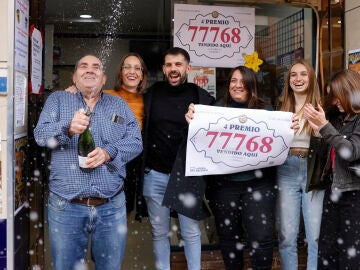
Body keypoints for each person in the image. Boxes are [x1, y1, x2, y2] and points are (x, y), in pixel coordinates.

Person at [34, 54, 143, 270]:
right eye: (83, 66)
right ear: (74, 77)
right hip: (66, 205)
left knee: (110, 267)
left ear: (103, 79)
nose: (90, 70)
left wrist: (109, 153)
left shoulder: (118, 105)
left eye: (96, 67)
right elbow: (40, 135)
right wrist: (67, 127)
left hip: (111, 205)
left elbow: (136, 141)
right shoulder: (58, 100)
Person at [186, 65, 278, 270]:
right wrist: (193, 121)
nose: (237, 85)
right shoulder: (216, 109)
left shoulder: (267, 111)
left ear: (252, 84)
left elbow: (277, 143)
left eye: (242, 81)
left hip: (259, 184)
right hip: (225, 186)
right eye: (233, 81)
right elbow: (199, 141)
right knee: (229, 238)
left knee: (261, 237)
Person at [140, 47, 215, 270]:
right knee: (159, 232)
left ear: (188, 68)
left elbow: (213, 135)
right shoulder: (151, 95)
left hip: (187, 175)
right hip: (155, 174)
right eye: (169, 65)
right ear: (164, 68)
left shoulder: (202, 98)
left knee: (190, 232)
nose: (174, 69)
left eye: (178, 64)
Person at [66, 52, 148, 217]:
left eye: (137, 68)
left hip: (136, 157)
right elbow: (85, 95)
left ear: (142, 75)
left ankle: (120, 230)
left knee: (131, 203)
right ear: (121, 72)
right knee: (116, 202)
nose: (132, 72)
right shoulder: (106, 95)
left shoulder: (148, 99)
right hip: (108, 156)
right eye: (127, 67)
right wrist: (75, 88)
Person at [303, 69, 360, 269]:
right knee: (327, 252)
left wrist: (325, 127)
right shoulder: (337, 118)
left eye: (338, 96)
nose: (335, 102)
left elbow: (350, 151)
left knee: (350, 256)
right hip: (333, 191)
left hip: (354, 195)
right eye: (332, 97)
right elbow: (324, 155)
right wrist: (318, 132)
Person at [276, 59, 325, 270]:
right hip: (286, 167)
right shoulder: (280, 107)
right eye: (293, 75)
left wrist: (318, 131)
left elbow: (330, 148)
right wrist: (284, 134)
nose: (298, 79)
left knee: (314, 235)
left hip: (313, 169)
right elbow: (271, 146)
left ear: (311, 78)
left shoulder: (323, 107)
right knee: (287, 235)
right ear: (288, 81)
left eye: (303, 74)